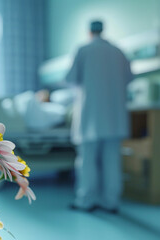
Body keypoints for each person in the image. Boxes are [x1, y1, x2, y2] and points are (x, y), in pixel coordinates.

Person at [66, 20, 133, 213]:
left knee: (87, 160)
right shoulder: (118, 51)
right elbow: (129, 78)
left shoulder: (84, 50)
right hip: (114, 115)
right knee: (112, 160)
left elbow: (71, 79)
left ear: (89, 31)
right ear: (103, 30)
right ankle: (111, 202)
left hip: (91, 115)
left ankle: (86, 201)